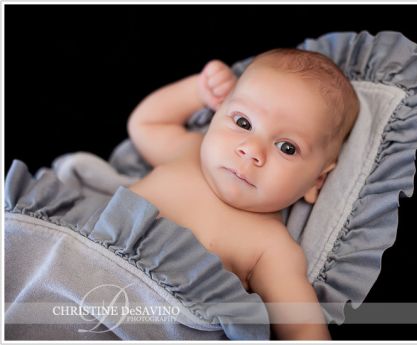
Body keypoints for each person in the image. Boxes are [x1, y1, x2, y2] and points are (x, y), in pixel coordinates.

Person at [127, 48, 359, 340]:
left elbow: (302, 328)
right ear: (217, 113)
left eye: (287, 147)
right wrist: (199, 91)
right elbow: (145, 124)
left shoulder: (271, 247)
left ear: (317, 181)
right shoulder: (188, 152)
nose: (251, 151)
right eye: (243, 123)